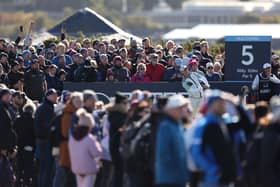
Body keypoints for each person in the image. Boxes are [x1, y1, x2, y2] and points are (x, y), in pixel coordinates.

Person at [189, 91, 237, 187]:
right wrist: (213, 170)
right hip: (211, 181)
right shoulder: (203, 124)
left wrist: (235, 102)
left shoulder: (222, 122)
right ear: (214, 104)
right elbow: (195, 152)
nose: (224, 106)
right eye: (222, 102)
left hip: (224, 179)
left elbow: (246, 123)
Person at [155, 94, 190, 187]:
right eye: (179, 108)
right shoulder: (165, 126)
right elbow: (163, 153)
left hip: (178, 179)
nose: (183, 110)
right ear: (171, 109)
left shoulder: (178, 125)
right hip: (168, 180)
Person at [69, 108, 103, 187]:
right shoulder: (89, 138)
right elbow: (97, 153)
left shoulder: (73, 138)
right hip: (89, 169)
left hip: (77, 168)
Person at [57, 92, 83, 187]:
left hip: (72, 150)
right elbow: (65, 133)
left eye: (81, 101)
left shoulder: (76, 113)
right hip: (68, 150)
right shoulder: (68, 114)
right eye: (77, 101)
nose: (79, 103)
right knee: (70, 179)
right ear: (72, 101)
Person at [34, 89, 58, 187]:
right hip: (45, 142)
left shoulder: (44, 107)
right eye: (54, 95)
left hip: (42, 142)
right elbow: (48, 127)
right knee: (46, 170)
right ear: (48, 96)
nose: (56, 97)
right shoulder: (46, 108)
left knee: (43, 169)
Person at [108, 92, 129, 187]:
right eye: (125, 103)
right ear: (120, 104)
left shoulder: (115, 114)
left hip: (116, 146)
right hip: (117, 147)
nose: (127, 105)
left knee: (118, 172)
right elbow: (122, 128)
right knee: (119, 173)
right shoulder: (117, 115)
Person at [14, 103, 36, 187]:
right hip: (29, 146)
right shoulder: (33, 120)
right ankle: (26, 183)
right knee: (28, 167)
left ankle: (18, 183)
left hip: (19, 146)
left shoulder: (18, 119)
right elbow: (35, 134)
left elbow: (14, 132)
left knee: (19, 167)